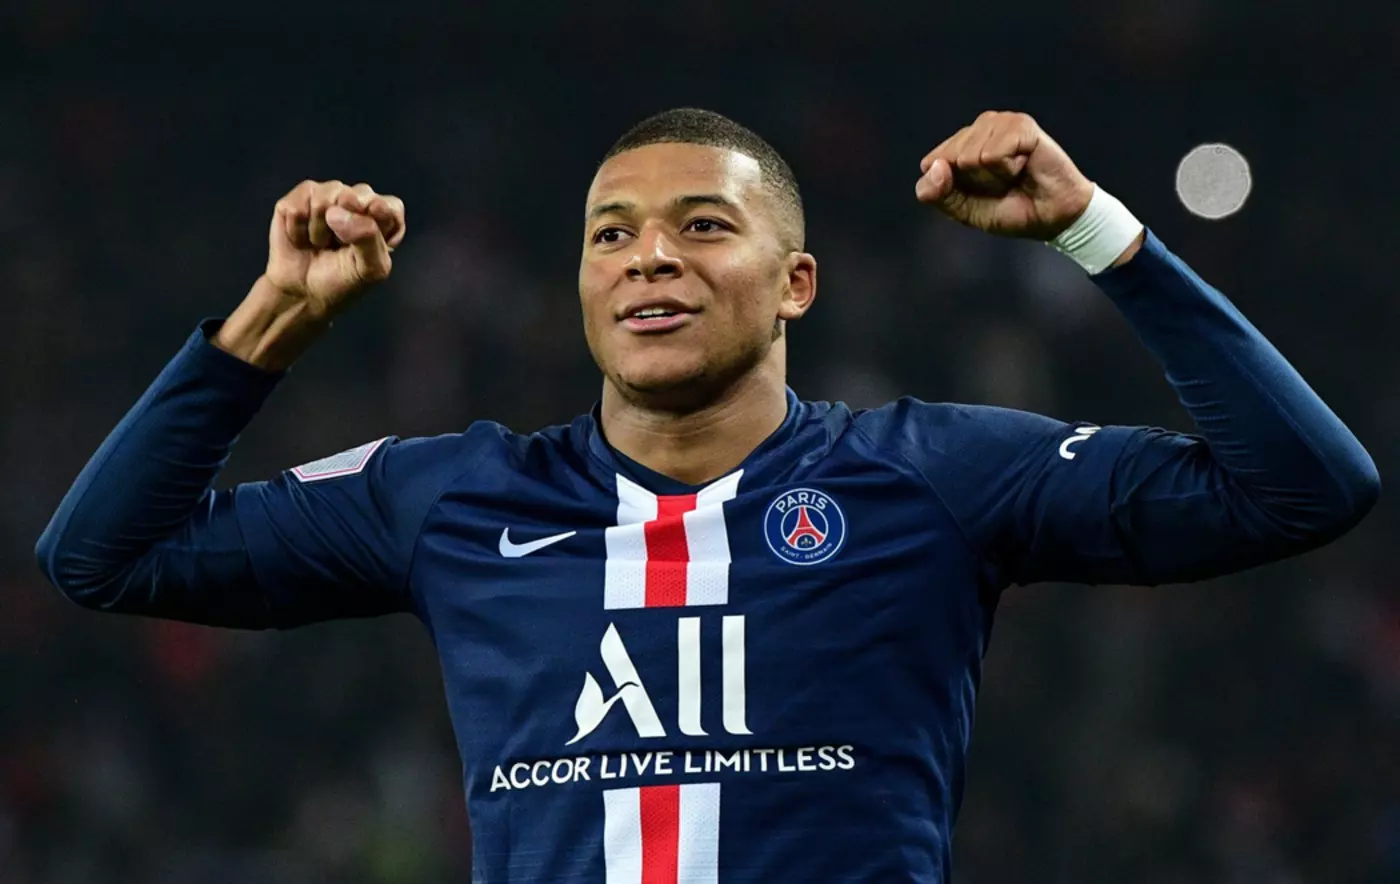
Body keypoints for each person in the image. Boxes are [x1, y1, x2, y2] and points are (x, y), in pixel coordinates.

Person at [36, 107, 1378, 882]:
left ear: (796, 284)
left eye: (703, 225)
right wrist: (274, 316)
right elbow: (103, 554)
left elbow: (1303, 487)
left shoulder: (930, 476)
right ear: (581, 286)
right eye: (611, 234)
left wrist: (1097, 230)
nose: (648, 257)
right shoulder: (451, 497)